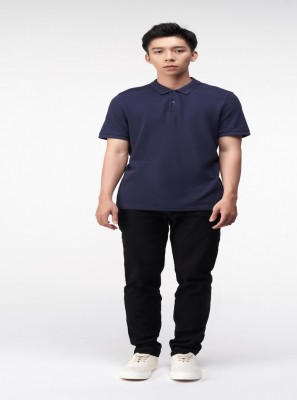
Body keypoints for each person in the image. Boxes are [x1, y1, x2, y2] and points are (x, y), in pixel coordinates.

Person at [95, 22, 251, 381]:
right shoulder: (126, 101)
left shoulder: (221, 99)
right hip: (139, 202)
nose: (169, 57)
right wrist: (105, 196)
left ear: (192, 55)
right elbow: (117, 150)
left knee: (195, 278)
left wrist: (229, 195)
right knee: (140, 279)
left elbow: (230, 148)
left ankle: (185, 351)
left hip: (201, 202)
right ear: (147, 58)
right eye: (160, 51)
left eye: (178, 50)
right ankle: (145, 350)